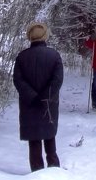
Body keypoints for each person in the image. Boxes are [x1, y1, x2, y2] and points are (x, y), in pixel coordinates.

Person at [12, 22, 64, 171]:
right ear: (45, 36)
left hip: (29, 104)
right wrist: (45, 96)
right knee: (49, 136)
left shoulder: (21, 57)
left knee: (34, 140)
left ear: (30, 37)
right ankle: (54, 170)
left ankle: (37, 172)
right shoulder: (54, 56)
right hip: (48, 104)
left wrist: (32, 96)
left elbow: (18, 80)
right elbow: (57, 80)